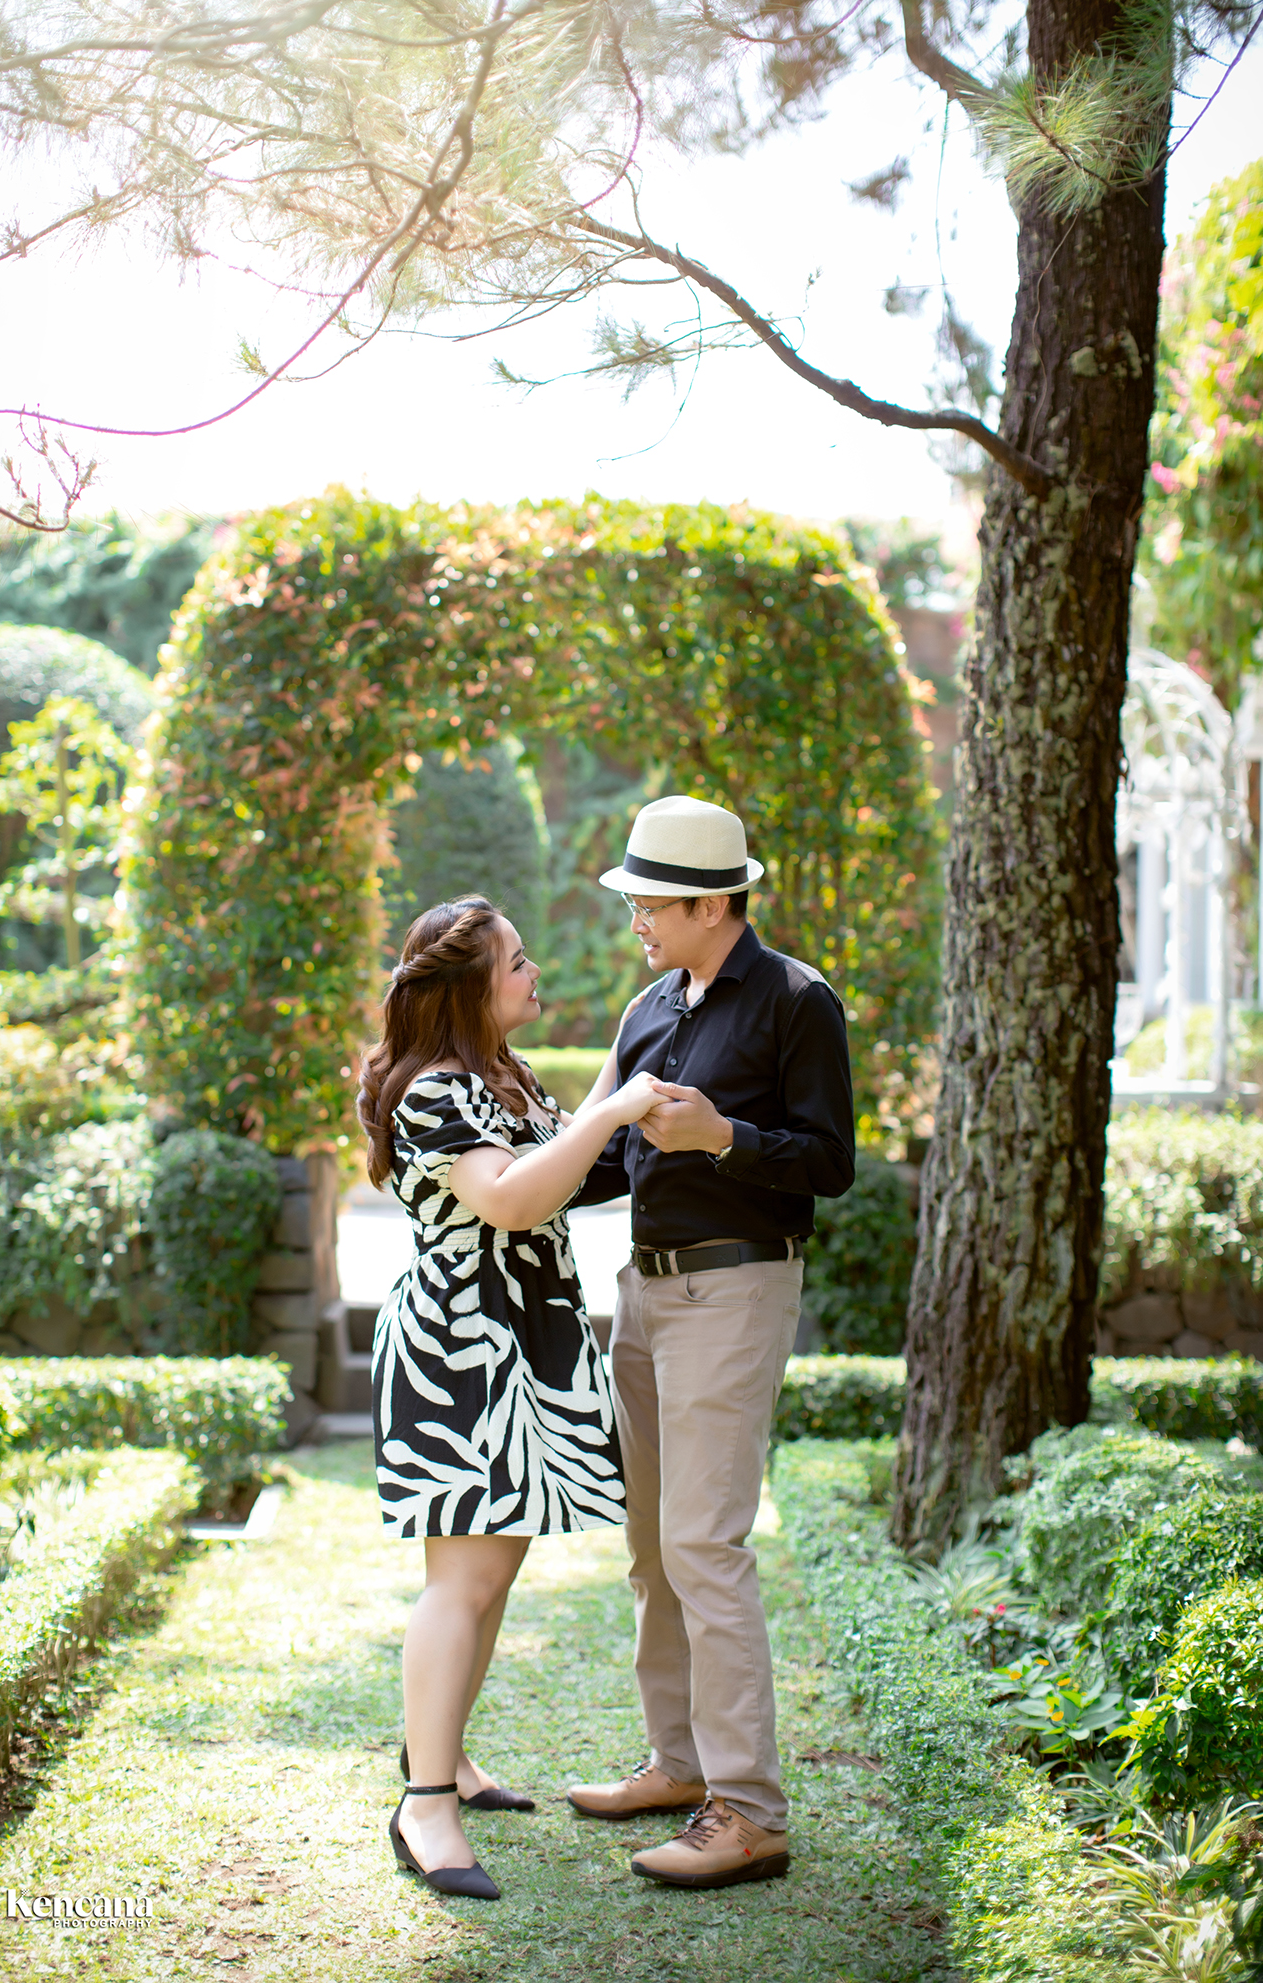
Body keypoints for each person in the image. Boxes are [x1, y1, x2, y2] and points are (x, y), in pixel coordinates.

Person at [565, 795, 855, 1890]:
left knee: (703, 1543)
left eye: (650, 900)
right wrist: (498, 1164)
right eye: (633, 899)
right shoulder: (646, 1007)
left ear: (712, 903)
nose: (635, 916)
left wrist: (722, 1135)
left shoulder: (797, 1001)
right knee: (651, 1543)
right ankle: (678, 1764)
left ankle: (750, 1811)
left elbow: (830, 1163)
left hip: (736, 1288)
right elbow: (604, 1160)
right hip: (642, 1294)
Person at [356, 895, 664, 1902]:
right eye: (518, 961)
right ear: (468, 985)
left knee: (491, 1572)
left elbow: (572, 1165)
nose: (535, 972)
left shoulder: (505, 1076)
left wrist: (626, 1065)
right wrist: (611, 1109)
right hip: (462, 1347)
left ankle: (445, 1757)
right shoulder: (432, 1090)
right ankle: (423, 1802)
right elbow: (511, 1198)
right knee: (462, 1580)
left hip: (523, 1339)